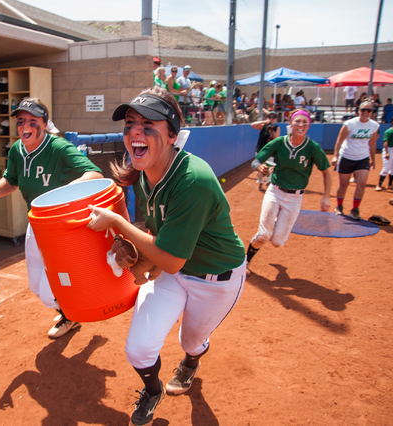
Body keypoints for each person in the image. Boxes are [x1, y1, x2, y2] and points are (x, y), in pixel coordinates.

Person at [87, 87, 246, 426]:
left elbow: (171, 260)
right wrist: (140, 263)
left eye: (148, 124)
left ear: (172, 134)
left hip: (215, 277)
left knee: (190, 340)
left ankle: (191, 361)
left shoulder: (193, 179)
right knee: (139, 348)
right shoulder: (147, 173)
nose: (135, 133)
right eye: (130, 124)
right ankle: (152, 388)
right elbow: (160, 240)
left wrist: (117, 222)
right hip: (175, 271)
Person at [0, 98, 103, 338]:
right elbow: (12, 181)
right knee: (36, 287)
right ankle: (70, 311)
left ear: (44, 124)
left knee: (50, 293)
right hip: (35, 223)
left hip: (59, 228)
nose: (25, 126)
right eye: (21, 121)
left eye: (33, 121)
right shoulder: (17, 149)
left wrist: (62, 194)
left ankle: (74, 311)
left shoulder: (58, 147)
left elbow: (95, 174)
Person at [245, 109, 331, 277]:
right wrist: (260, 167)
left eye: (304, 123)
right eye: (297, 122)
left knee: (277, 242)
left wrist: (326, 196)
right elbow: (256, 161)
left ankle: (275, 220)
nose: (301, 125)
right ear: (290, 124)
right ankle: (245, 261)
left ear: (308, 126)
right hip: (275, 191)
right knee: (264, 235)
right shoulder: (279, 143)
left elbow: (326, 172)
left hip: (295, 197)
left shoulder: (312, 148)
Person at [332, 101, 379, 220]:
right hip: (347, 156)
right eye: (363, 109)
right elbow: (339, 140)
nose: (366, 112)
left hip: (362, 158)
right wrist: (335, 155)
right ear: (358, 110)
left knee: (362, 184)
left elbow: (372, 143)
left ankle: (355, 209)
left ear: (372, 112)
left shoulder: (374, 126)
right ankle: (339, 206)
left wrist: (373, 159)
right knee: (344, 184)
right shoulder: (350, 124)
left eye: (369, 110)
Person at [251, 112, 281, 191]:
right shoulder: (263, 126)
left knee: (270, 168)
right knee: (259, 169)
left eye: (273, 117)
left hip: (271, 152)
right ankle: (260, 182)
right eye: (270, 116)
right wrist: (265, 122)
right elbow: (252, 125)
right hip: (260, 151)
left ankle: (268, 183)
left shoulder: (276, 128)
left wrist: (272, 131)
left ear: (276, 119)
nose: (271, 118)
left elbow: (276, 139)